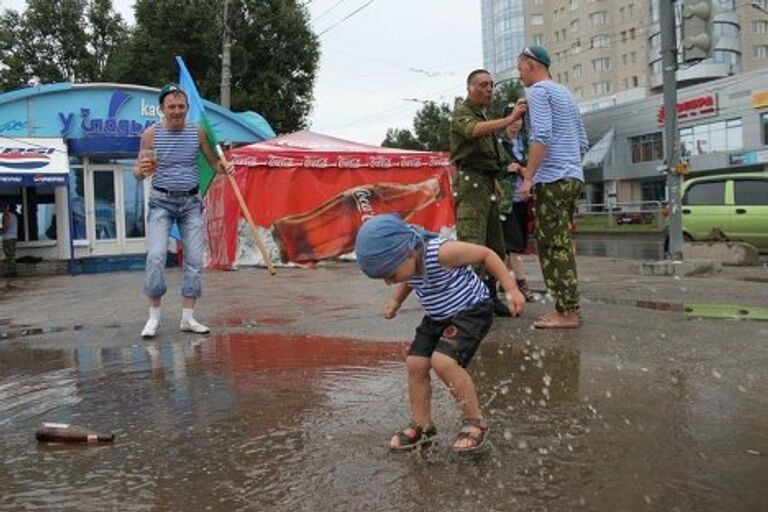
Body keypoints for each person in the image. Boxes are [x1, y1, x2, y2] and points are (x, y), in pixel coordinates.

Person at [354, 214, 526, 453]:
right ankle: (422, 426)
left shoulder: (441, 252)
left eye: (390, 275)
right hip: (438, 315)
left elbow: (486, 254)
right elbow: (411, 278)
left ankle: (475, 422)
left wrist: (511, 289)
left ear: (409, 252)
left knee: (443, 361)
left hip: (471, 310)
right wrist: (396, 300)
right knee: (415, 362)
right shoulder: (410, 261)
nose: (388, 281)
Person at [134, 83, 234, 338]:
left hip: (191, 203)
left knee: (193, 261)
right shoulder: (150, 135)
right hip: (161, 202)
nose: (177, 111)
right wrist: (140, 171)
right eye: (171, 106)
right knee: (155, 257)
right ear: (161, 109)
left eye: (181, 106)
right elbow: (137, 172)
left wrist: (226, 167)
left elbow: (214, 163)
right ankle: (153, 318)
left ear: (187, 108)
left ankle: (188, 318)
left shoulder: (197, 132)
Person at [516, 46, 588, 329]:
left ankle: (566, 312)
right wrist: (570, 164)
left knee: (551, 246)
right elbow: (583, 142)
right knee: (562, 244)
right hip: (572, 176)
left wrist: (529, 177)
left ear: (532, 65)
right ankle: (570, 306)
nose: (519, 74)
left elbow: (541, 135)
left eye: (520, 68)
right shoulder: (565, 94)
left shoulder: (538, 92)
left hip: (553, 179)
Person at [450, 69, 527, 317]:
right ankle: (471, 303)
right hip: (470, 182)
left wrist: (494, 180)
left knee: (495, 243)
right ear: (470, 88)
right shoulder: (463, 112)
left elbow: (488, 156)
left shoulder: (483, 115)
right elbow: (473, 131)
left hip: (485, 182)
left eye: (492, 85)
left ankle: (490, 297)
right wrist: (510, 118)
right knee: (472, 243)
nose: (489, 89)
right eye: (483, 85)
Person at [498, 99, 535, 302]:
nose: (516, 122)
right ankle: (521, 283)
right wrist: (505, 169)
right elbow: (490, 169)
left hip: (524, 200)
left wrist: (523, 170)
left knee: (511, 246)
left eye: (519, 118)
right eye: (512, 117)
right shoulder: (497, 143)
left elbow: (535, 164)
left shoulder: (528, 142)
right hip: (505, 201)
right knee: (515, 246)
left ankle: (505, 283)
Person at [0, 201, 18, 277]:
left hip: (8, 238)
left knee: (9, 256)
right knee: (12, 255)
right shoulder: (14, 215)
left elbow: (6, 227)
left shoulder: (6, 215)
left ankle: (12, 272)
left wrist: (1, 231)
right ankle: (12, 272)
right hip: (13, 237)